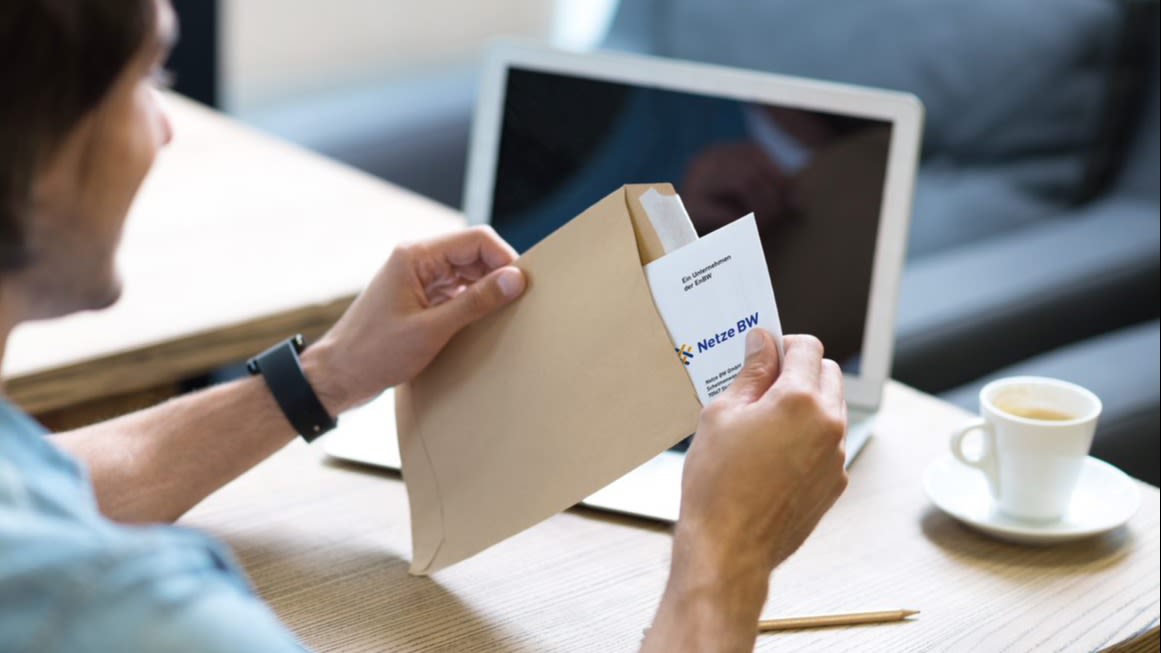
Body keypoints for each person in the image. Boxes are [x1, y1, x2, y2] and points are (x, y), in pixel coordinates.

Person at [0, 2, 848, 652]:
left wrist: (327, 375)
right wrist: (724, 554)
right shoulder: (121, 606)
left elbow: (36, 479)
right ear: (35, 139)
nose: (164, 128)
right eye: (147, 77)